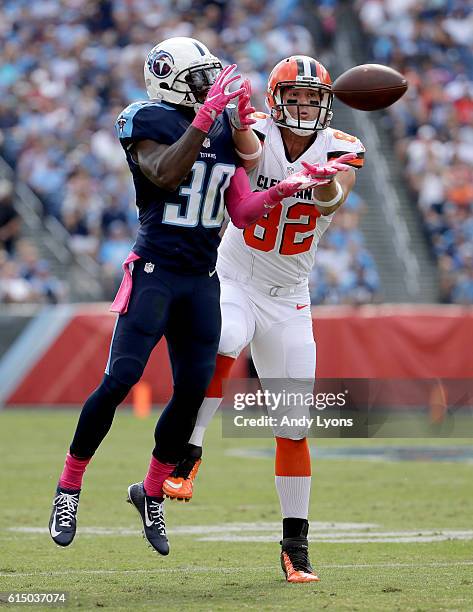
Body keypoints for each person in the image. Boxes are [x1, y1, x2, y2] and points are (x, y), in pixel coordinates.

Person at [48, 38, 312, 556]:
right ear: (169, 79)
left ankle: (150, 493)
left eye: (211, 78)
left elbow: (240, 210)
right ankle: (69, 486)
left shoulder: (218, 125)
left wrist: (286, 188)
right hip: (155, 273)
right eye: (199, 79)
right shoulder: (144, 118)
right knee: (120, 378)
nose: (208, 87)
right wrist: (207, 117)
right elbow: (166, 173)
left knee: (192, 393)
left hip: (201, 279)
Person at [162, 55, 365, 581]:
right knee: (226, 337)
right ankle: (189, 450)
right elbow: (251, 156)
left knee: (294, 426)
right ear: (277, 99)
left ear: (326, 104)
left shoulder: (344, 148)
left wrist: (321, 179)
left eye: (313, 97)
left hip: (291, 294)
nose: (303, 105)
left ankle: (295, 547)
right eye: (294, 96)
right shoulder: (256, 130)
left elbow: (328, 202)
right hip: (235, 275)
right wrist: (236, 120)